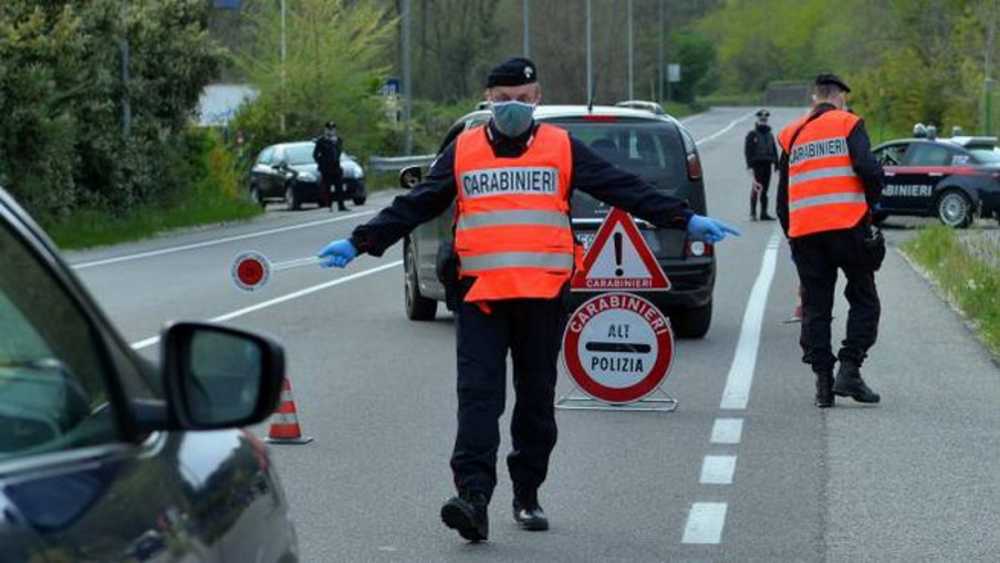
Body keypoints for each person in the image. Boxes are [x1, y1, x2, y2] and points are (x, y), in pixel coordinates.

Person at [316, 57, 739, 542]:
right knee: (478, 400)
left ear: (536, 98)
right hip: (482, 299)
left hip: (543, 298)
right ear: (487, 99)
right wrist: (360, 241)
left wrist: (683, 218)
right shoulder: (464, 149)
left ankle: (527, 494)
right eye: (502, 99)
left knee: (535, 404)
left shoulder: (562, 148)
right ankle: (473, 499)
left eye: (521, 97)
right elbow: (417, 203)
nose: (512, 106)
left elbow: (624, 188)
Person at [776, 73, 884, 409]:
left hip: (806, 234)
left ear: (814, 98)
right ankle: (849, 369)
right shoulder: (848, 123)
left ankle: (823, 384)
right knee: (864, 298)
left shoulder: (791, 135)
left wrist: (792, 236)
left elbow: (782, 199)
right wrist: (871, 209)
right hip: (848, 227)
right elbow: (868, 169)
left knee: (816, 307)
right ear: (839, 97)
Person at [744, 109, 779, 221]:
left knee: (765, 190)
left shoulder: (770, 135)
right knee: (757, 188)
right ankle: (753, 213)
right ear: (758, 120)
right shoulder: (752, 134)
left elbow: (774, 150)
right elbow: (748, 151)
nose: (763, 121)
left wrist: (777, 165)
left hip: (767, 164)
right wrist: (749, 166)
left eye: (765, 119)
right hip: (757, 165)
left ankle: (764, 213)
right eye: (761, 119)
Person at [313, 121, 346, 211]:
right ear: (326, 130)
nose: (331, 131)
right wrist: (322, 163)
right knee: (327, 188)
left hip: (336, 167)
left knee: (339, 186)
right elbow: (315, 155)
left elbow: (338, 153)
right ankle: (329, 205)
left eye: (332, 129)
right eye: (329, 129)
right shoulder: (321, 140)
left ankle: (341, 205)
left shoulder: (338, 140)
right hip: (326, 168)